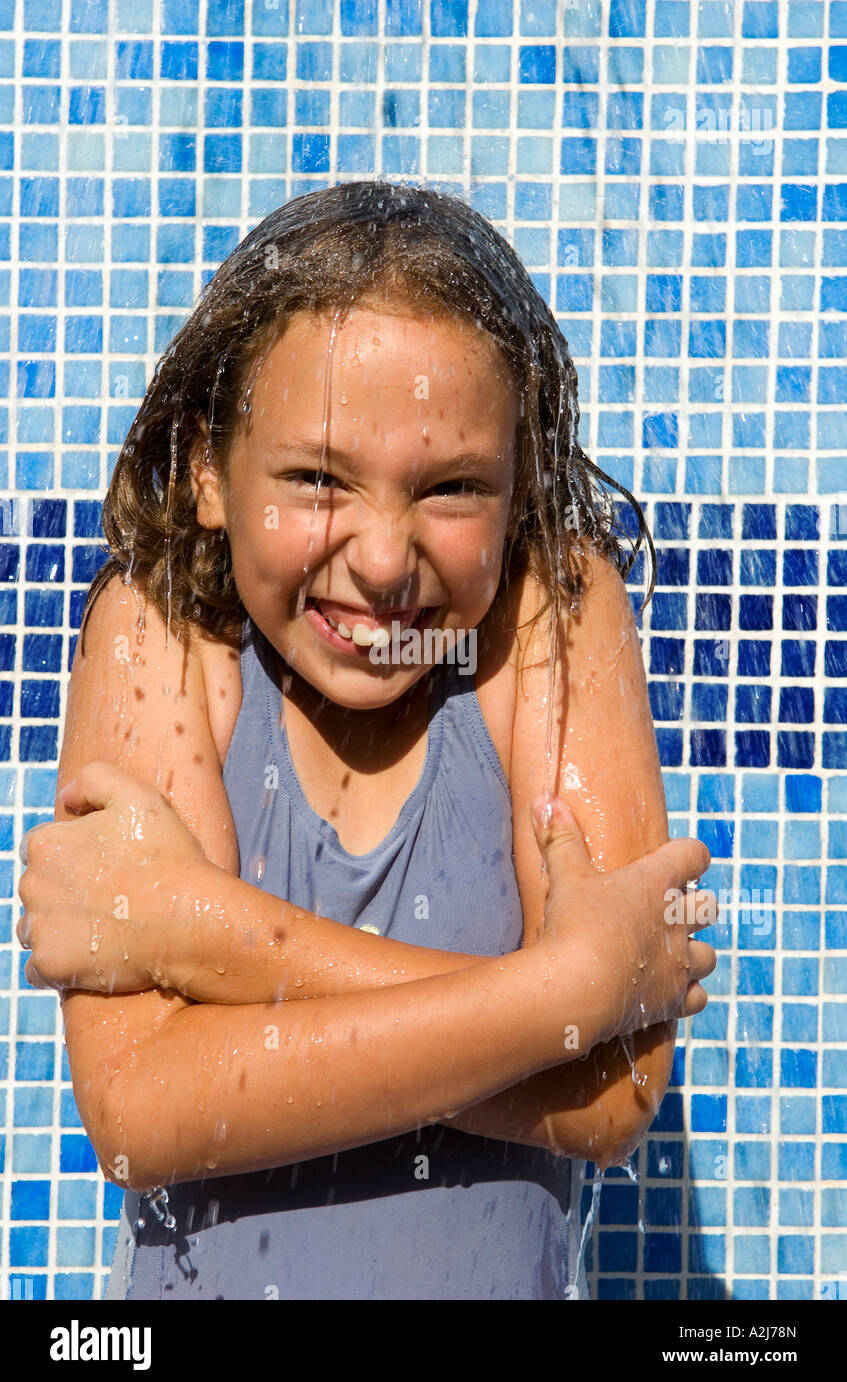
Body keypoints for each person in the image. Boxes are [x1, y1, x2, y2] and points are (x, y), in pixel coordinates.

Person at [18, 181, 717, 1300]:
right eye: (315, 478)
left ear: (518, 487)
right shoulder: (160, 638)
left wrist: (215, 940)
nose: (384, 558)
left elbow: (613, 1091)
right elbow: (145, 1112)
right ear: (209, 471)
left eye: (450, 489)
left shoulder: (553, 616)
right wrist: (557, 994)